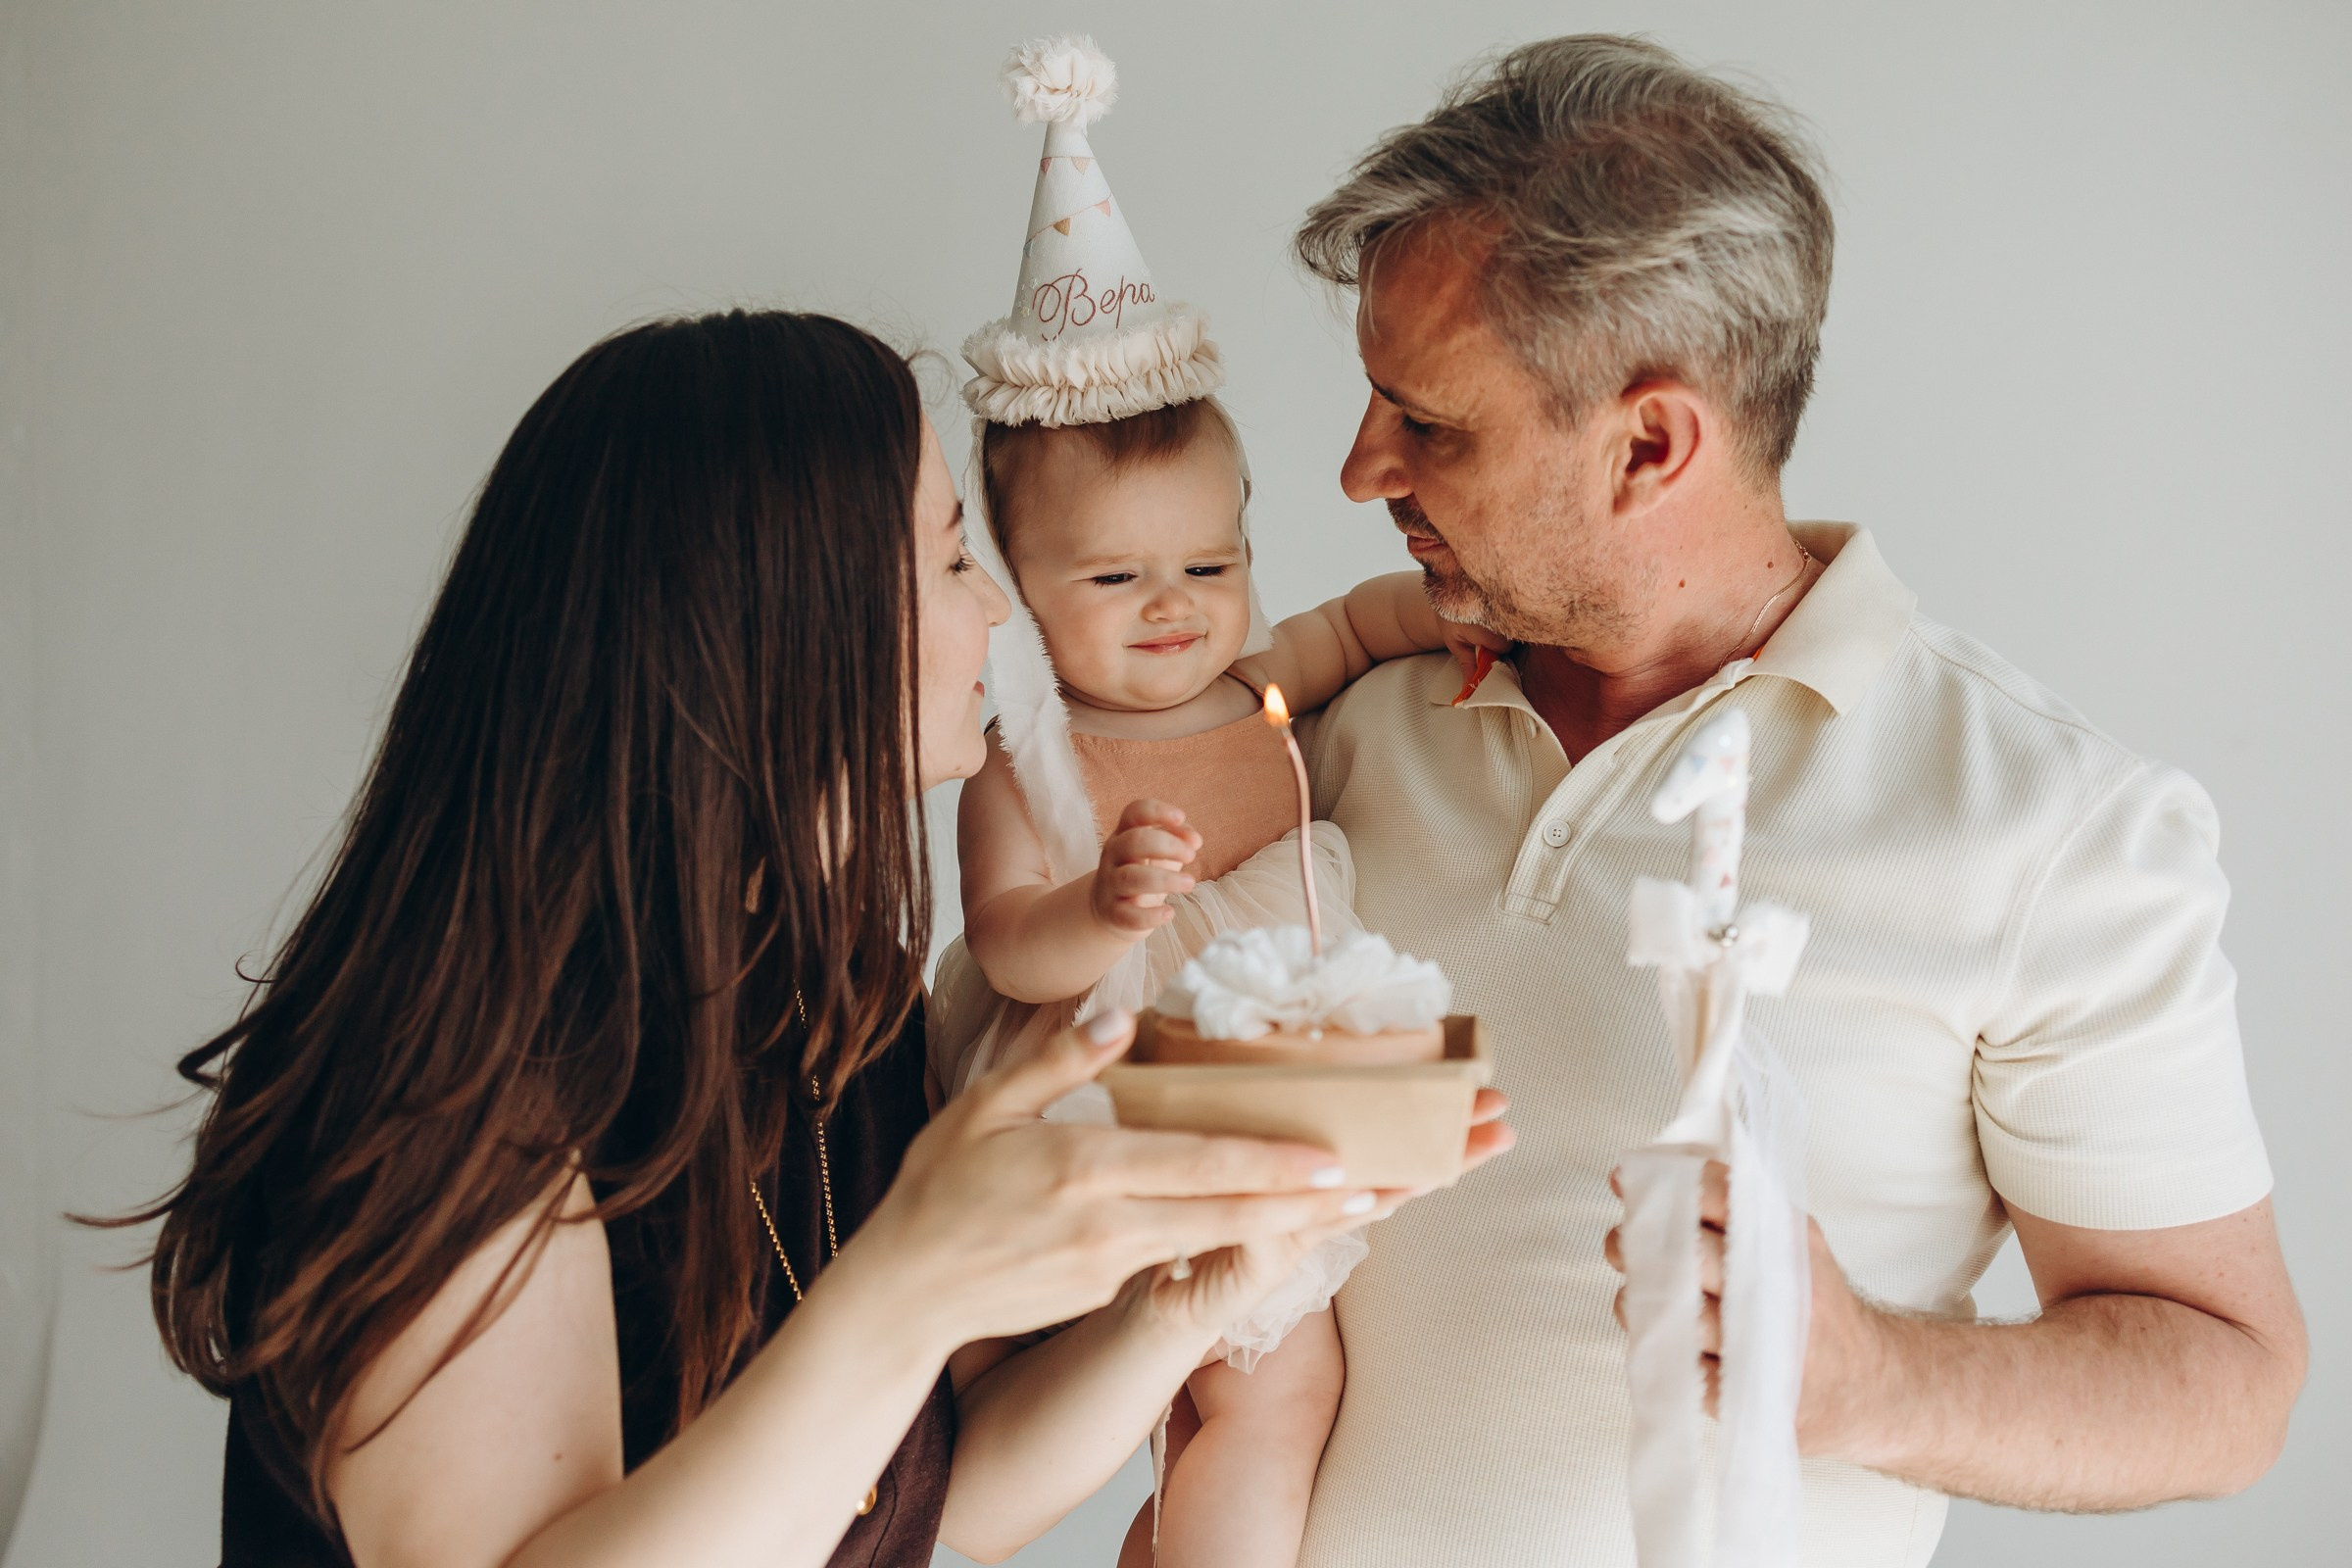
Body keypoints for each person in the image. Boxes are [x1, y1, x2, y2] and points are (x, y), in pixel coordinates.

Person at [112, 310, 1507, 1568]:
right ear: (788, 624)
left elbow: (950, 1501)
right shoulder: (457, 1087)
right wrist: (913, 1279)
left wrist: (1210, 1285)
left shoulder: (833, 1017)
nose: (996, 613)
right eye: (957, 556)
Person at [1283, 34, 2305, 1566]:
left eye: (1428, 423)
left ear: (1649, 443)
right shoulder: (1351, 721)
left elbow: (2228, 1382)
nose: (1362, 471)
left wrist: (1868, 1380)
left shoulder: (2052, 828)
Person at [931, 39, 1505, 1568]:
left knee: (1268, 1386)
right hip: (1110, 1097)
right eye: (1113, 581)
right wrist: (1101, 904)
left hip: (1264, 1086)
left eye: (1209, 563)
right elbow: (1004, 952)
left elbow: (1370, 622)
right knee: (1090, 1377)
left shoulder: (1263, 671)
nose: (1175, 610)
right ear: (1015, 598)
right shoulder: (1029, 763)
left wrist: (1464, 627)